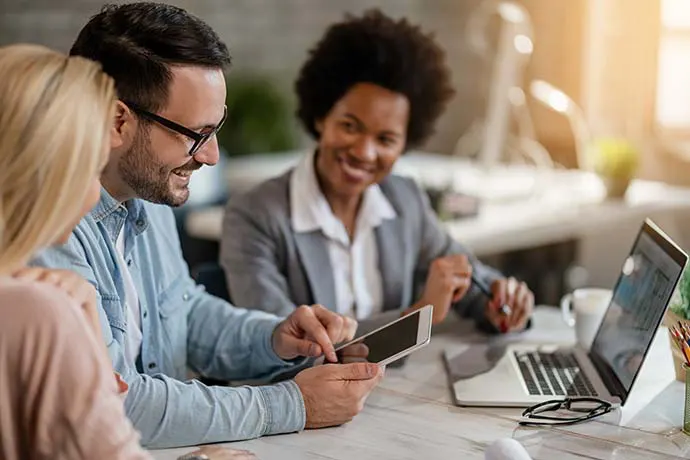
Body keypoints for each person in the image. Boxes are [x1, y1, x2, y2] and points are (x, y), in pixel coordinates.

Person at [32, 2, 382, 450]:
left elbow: (183, 311)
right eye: (195, 134)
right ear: (118, 121)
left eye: (216, 129)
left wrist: (273, 338)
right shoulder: (45, 226)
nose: (211, 155)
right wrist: (292, 405)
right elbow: (109, 403)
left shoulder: (148, 191)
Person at [220, 9, 535, 334]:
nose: (364, 152)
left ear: (405, 144)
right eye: (350, 126)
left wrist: (502, 302)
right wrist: (419, 316)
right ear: (320, 117)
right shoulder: (254, 216)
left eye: (386, 139)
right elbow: (277, 346)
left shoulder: (404, 200)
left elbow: (473, 284)